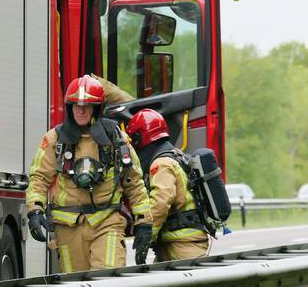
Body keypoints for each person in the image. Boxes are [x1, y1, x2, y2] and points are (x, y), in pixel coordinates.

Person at [26, 75, 153, 272]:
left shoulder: (116, 139)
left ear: (97, 107)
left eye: (87, 105)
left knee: (107, 281)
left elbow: (134, 182)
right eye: (77, 105)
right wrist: (35, 211)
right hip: (67, 228)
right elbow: (39, 178)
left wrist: (144, 222)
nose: (82, 110)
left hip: (106, 223)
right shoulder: (55, 140)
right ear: (70, 107)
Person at [126, 108, 210, 263]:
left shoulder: (161, 163)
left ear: (140, 137)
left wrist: (146, 236)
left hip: (182, 246)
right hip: (177, 242)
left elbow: (161, 202)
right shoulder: (176, 155)